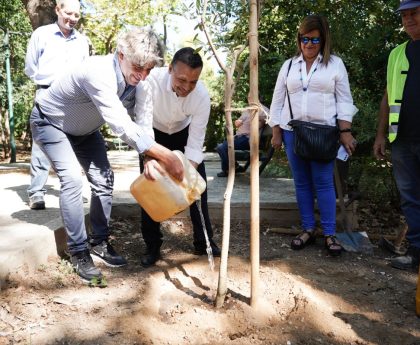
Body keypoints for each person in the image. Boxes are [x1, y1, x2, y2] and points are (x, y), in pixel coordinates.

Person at [30, 27, 184, 283]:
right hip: (51, 122)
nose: (143, 75)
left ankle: (99, 241)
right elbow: (120, 124)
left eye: (148, 69)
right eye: (138, 67)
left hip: (85, 130)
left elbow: (142, 121)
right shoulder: (98, 71)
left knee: (104, 179)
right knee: (72, 179)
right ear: (121, 54)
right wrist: (167, 156)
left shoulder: (138, 81)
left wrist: (150, 157)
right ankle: (78, 251)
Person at [269, 15, 358, 256]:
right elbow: (277, 101)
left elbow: (344, 100)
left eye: (314, 39)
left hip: (324, 134)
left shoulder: (335, 65)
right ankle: (308, 229)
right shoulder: (288, 65)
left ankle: (329, 233)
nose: (308, 44)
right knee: (302, 183)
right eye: (304, 39)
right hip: (292, 133)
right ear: (299, 40)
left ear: (323, 40)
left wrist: (345, 131)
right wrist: (276, 131)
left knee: (323, 183)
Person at [135, 47, 221, 268]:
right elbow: (143, 125)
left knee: (197, 189)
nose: (187, 87)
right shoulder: (150, 82)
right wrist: (149, 157)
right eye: (182, 79)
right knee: (150, 187)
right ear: (170, 68)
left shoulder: (201, 95)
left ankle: (203, 241)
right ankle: (152, 245)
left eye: (193, 82)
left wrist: (186, 175)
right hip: (153, 135)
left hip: (183, 135)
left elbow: (195, 143)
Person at [24, 0, 89, 210]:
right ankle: (36, 192)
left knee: (73, 144)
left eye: (76, 15)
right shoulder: (41, 35)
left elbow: (84, 70)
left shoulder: (82, 41)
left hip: (73, 98)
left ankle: (71, 191)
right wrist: (46, 84)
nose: (72, 18)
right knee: (42, 144)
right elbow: (30, 67)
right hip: (48, 92)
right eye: (68, 13)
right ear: (57, 10)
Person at [373, 0, 420, 270]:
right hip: (401, 140)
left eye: (414, 13)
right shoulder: (397, 54)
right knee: (410, 197)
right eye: (404, 15)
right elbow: (388, 97)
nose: (409, 19)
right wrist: (380, 135)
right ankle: (416, 253)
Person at [215, 98, 269, 177]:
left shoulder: (263, 110)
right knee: (220, 146)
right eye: (249, 98)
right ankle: (235, 167)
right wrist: (238, 121)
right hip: (239, 137)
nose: (249, 100)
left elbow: (265, 120)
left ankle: (228, 170)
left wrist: (258, 118)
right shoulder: (247, 109)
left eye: (251, 97)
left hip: (249, 139)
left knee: (222, 147)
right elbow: (238, 123)